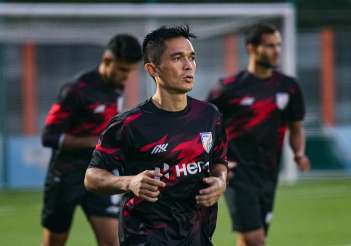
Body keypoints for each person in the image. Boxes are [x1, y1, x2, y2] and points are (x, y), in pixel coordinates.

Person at [84, 25, 228, 246]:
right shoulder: (129, 125)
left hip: (197, 236)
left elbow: (219, 161)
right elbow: (92, 177)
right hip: (146, 238)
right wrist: (129, 181)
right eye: (177, 58)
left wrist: (221, 181)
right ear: (153, 69)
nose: (188, 66)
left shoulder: (210, 116)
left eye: (192, 57)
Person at [207, 23, 311, 246]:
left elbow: (296, 126)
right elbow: (205, 126)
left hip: (268, 173)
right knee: (256, 239)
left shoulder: (289, 87)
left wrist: (299, 153)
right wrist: (216, 161)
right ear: (251, 48)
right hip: (237, 173)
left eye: (278, 45)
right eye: (269, 45)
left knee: (249, 238)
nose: (276, 51)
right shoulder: (228, 88)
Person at [41, 34, 142, 246]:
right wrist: (94, 142)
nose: (127, 77)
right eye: (123, 70)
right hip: (65, 177)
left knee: (112, 243)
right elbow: (49, 136)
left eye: (131, 71)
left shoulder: (116, 89)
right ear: (107, 60)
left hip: (99, 174)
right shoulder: (76, 90)